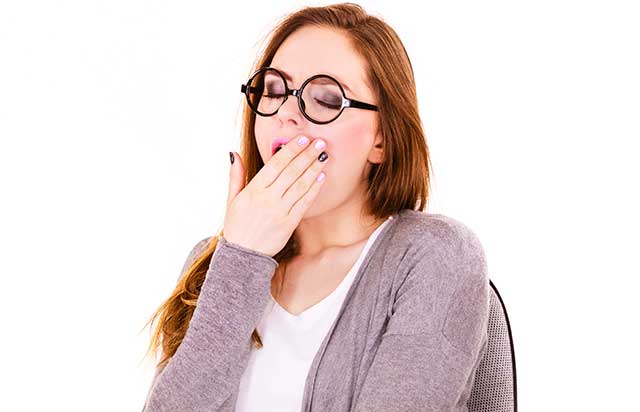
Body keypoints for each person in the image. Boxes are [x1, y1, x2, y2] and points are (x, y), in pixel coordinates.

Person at [141, 3, 490, 412]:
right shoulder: (215, 261)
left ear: (381, 139)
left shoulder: (434, 256)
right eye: (272, 90)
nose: (287, 114)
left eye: (326, 99)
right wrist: (240, 260)